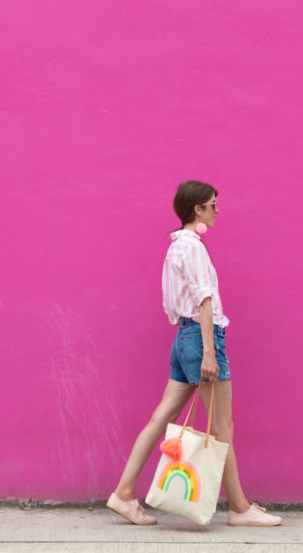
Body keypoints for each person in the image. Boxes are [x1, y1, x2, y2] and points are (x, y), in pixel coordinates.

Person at [107, 180, 282, 527]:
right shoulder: (194, 248)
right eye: (213, 204)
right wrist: (208, 352)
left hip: (182, 338)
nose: (218, 210)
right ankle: (239, 509)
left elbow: (174, 303)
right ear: (197, 209)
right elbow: (205, 300)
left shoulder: (176, 247)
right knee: (223, 427)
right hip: (202, 338)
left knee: (161, 418)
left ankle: (124, 494)